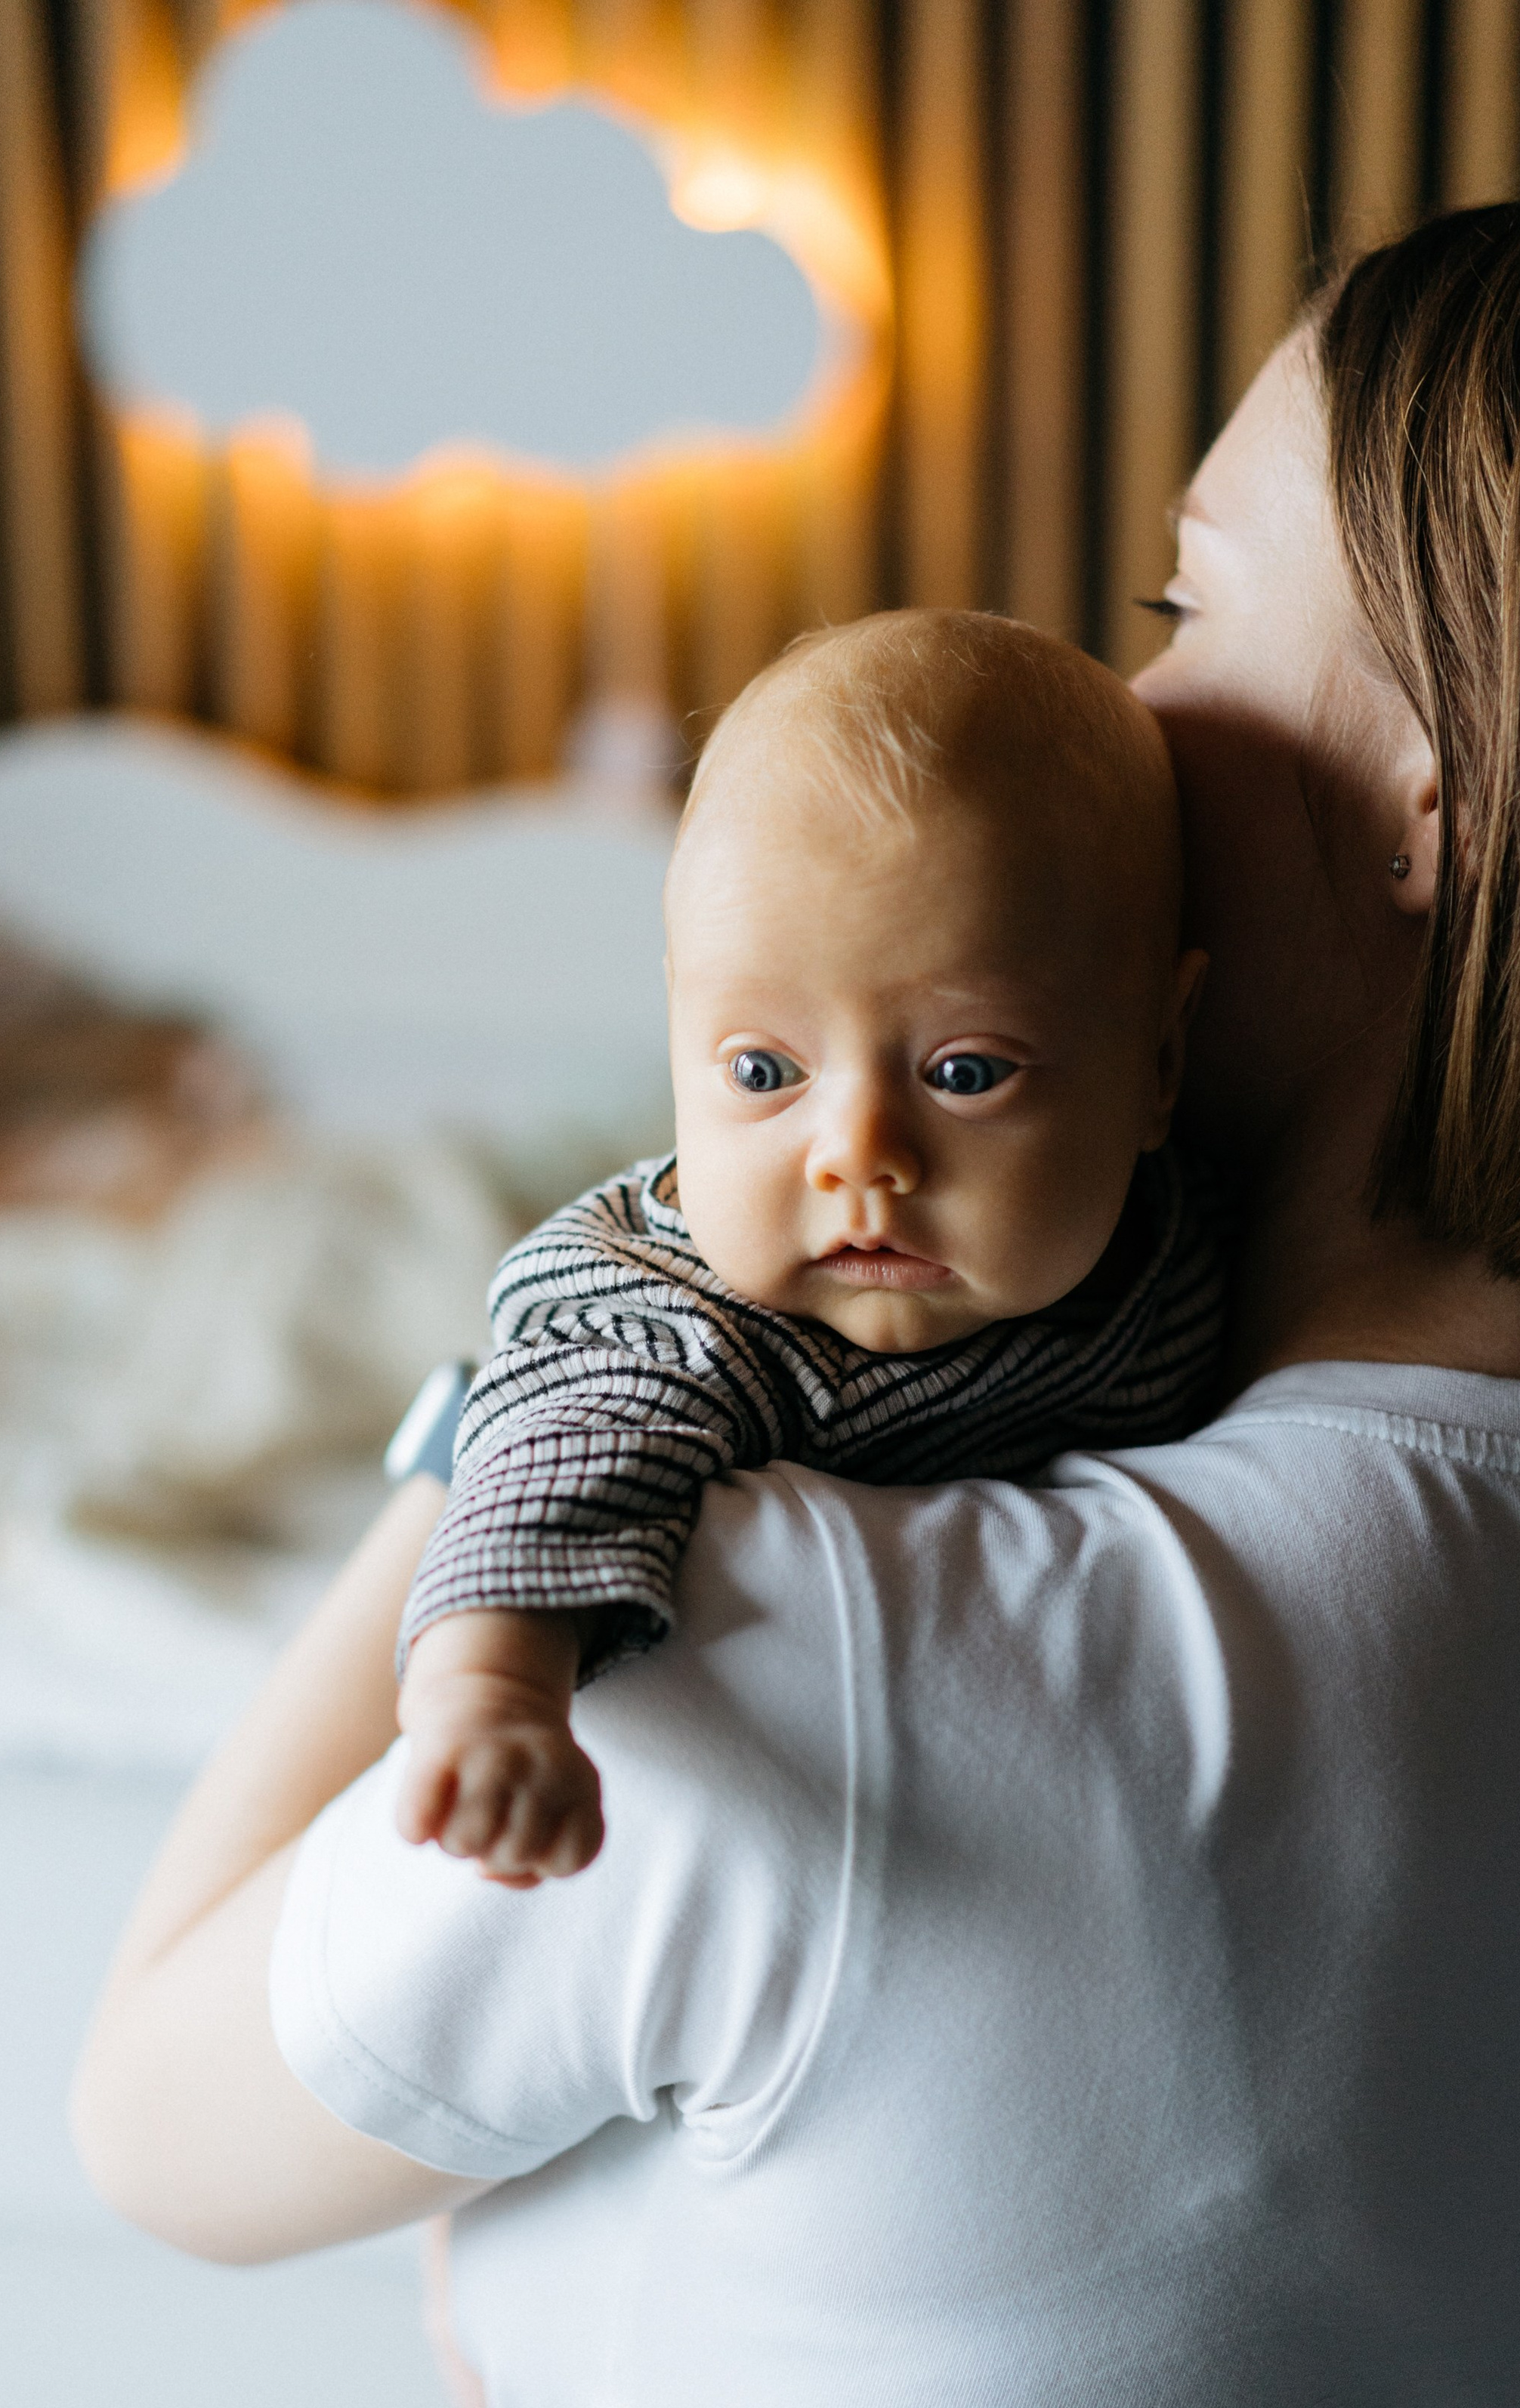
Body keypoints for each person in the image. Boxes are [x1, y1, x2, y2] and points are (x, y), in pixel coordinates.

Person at [73, 190, 1520, 2408]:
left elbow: (160, 2117)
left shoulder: (830, 1649)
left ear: (1436, 800)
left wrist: (582, 1343)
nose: (1120, 696)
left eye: (1187, 612)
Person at [395, 612, 1219, 1885]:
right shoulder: (673, 1319)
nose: (858, 1155)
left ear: (1159, 1064)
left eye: (964, 1072)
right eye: (764, 1072)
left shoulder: (1177, 1229)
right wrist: (493, 1701)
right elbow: (558, 1464)